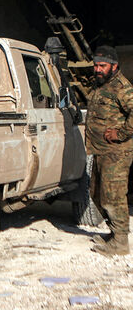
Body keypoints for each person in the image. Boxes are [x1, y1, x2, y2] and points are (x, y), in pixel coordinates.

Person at [85, 45, 133, 256]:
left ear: (114, 66)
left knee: (113, 197)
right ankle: (114, 233)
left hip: (117, 152)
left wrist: (120, 134)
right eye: (96, 65)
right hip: (100, 151)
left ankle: (121, 242)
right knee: (97, 194)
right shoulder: (101, 85)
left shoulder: (122, 87)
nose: (98, 69)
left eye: (102, 66)